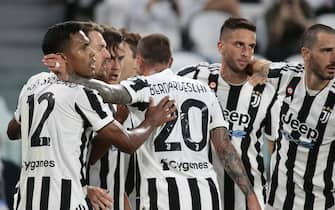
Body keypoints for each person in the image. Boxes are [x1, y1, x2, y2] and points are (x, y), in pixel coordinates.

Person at [62, 33, 262, 210]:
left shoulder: (142, 85)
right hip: (205, 194)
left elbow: (109, 92)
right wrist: (250, 194)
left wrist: (70, 75)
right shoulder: (204, 91)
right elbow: (224, 148)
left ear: (139, 62)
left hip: (163, 193)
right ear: (171, 61)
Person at [6, 21, 176, 210]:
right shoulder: (83, 93)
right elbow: (127, 143)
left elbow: (13, 131)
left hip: (25, 200)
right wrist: (152, 120)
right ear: (64, 57)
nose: (94, 54)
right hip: (68, 200)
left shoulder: (34, 82)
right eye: (84, 47)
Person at [176, 17, 278, 210]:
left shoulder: (266, 91)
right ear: (220, 47)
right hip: (200, 190)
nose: (246, 52)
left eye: (251, 46)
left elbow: (272, 144)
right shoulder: (193, 77)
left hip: (247, 197)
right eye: (239, 44)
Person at [251, 24, 335, 210]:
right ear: (306, 54)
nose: (334, 58)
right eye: (326, 51)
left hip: (319, 204)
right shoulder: (288, 76)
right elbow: (251, 66)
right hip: (276, 202)